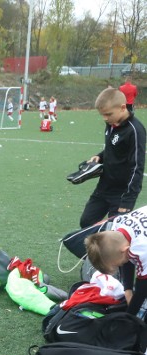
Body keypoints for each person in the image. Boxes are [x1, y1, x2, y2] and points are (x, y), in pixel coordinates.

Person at [79, 87, 146, 228]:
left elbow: (137, 168)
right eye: (102, 114)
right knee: (86, 222)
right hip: (103, 187)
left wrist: (128, 201)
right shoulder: (111, 124)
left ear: (122, 108)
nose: (105, 118)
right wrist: (99, 157)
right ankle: (98, 250)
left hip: (121, 193)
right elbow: (111, 149)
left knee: (115, 231)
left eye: (108, 114)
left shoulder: (135, 130)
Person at [85, 205, 147, 318]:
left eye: (119, 264)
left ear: (125, 250)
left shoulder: (141, 248)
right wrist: (127, 289)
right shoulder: (118, 226)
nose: (121, 265)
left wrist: (129, 317)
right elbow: (127, 258)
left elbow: (142, 288)